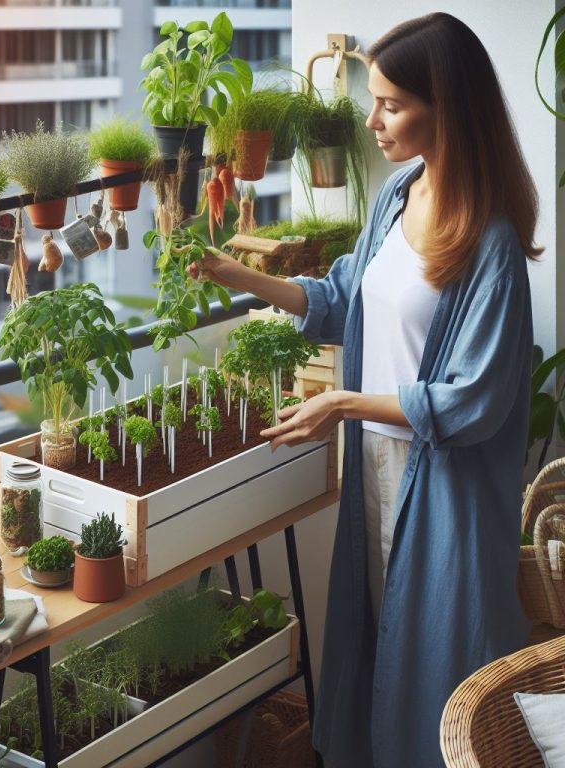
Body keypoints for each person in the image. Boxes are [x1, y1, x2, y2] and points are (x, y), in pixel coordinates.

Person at [189, 12, 540, 768]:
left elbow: (470, 400)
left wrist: (341, 405)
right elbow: (345, 298)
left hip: (442, 488)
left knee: (441, 664)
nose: (372, 119)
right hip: (376, 474)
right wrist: (236, 275)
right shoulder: (396, 196)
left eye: (392, 103)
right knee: (379, 639)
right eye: (373, 99)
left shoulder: (492, 247)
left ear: (447, 107)